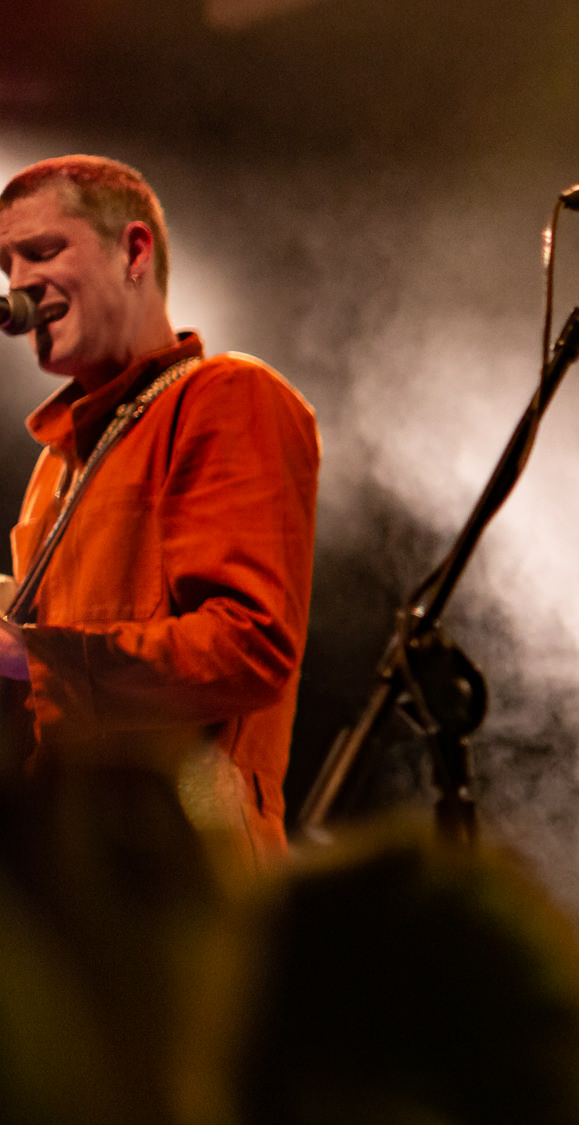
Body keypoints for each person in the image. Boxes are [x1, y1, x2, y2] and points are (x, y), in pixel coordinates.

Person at [0, 155, 319, 869]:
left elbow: (249, 646)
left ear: (134, 252)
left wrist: (33, 661)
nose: (18, 285)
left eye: (44, 252)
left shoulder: (226, 397)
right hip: (71, 884)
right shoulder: (56, 466)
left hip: (184, 882)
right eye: (6, 264)